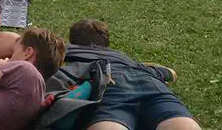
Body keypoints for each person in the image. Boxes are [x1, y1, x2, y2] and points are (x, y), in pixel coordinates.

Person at [64, 19, 201, 130]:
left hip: (110, 85)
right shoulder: (122, 57)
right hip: (148, 83)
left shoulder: (70, 52)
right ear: (106, 43)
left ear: (72, 41)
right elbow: (170, 73)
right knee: (182, 124)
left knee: (110, 123)